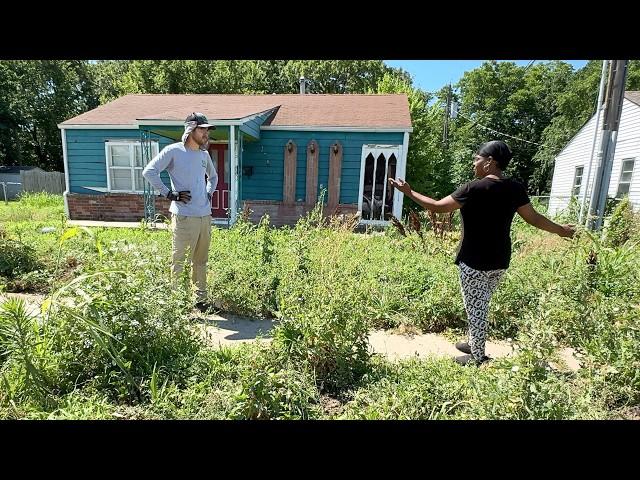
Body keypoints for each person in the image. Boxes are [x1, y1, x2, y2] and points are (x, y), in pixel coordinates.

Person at [388, 140, 575, 365]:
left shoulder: (472, 189)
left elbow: (436, 207)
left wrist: (408, 192)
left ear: (490, 162)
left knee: (476, 307)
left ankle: (478, 357)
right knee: (480, 303)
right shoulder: (515, 188)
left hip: (473, 259)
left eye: (477, 159)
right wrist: (561, 231)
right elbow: (534, 218)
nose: (474, 163)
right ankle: (473, 341)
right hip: (500, 259)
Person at [142, 112, 218, 312]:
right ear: (191, 129)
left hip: (204, 216)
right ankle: (178, 304)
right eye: (202, 129)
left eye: (207, 130)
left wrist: (208, 193)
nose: (206, 134)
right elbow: (149, 171)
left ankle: (199, 300)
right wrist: (170, 194)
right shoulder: (173, 151)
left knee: (201, 260)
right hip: (185, 217)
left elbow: (214, 177)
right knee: (180, 262)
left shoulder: (204, 155)